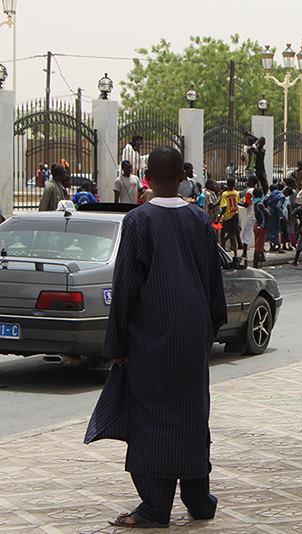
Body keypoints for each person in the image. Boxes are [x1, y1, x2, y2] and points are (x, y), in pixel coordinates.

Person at [84, 146, 226, 529]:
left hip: (152, 335)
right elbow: (213, 277)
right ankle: (199, 499)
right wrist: (213, 325)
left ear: (146, 177)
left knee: (151, 418)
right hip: (194, 333)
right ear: (182, 176)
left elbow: (126, 286)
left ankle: (155, 506)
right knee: (193, 413)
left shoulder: (138, 221)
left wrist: (117, 346)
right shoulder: (199, 218)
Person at [219, 178, 242, 255]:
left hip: (227, 216)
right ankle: (235, 254)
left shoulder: (225, 194)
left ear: (227, 184)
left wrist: (219, 218)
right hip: (235, 215)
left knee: (222, 233)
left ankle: (223, 248)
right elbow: (237, 203)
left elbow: (224, 207)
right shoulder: (237, 193)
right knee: (233, 235)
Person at [239, 177, 257, 260]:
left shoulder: (249, 191)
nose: (247, 181)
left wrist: (238, 203)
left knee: (245, 234)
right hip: (256, 215)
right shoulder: (257, 191)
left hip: (250, 215)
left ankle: (244, 253)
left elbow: (246, 204)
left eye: (249, 180)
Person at [252, 188, 267, 268]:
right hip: (261, 226)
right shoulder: (260, 204)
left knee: (258, 244)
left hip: (257, 225)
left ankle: (261, 258)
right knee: (258, 247)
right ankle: (255, 265)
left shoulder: (255, 202)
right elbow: (267, 213)